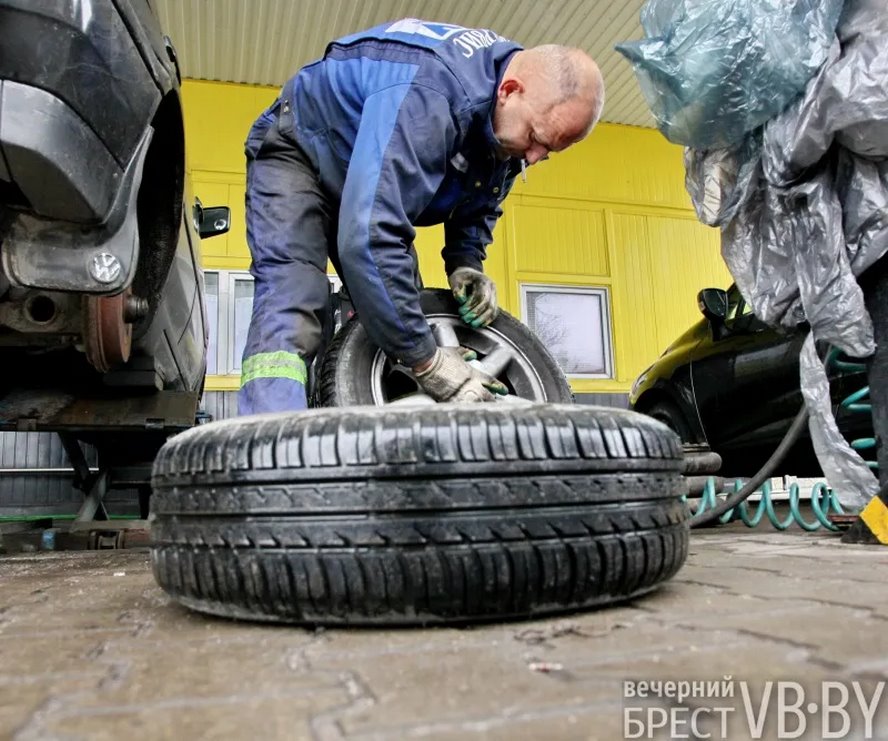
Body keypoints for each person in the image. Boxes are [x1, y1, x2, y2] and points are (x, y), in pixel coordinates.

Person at [238, 19, 605, 415]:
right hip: (301, 150)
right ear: (509, 91)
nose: (534, 157)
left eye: (548, 151)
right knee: (294, 298)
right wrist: (427, 362)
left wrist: (466, 263)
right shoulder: (434, 94)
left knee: (400, 307)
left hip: (364, 172)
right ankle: (269, 446)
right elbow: (370, 237)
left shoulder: (509, 116)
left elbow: (482, 191)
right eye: (535, 138)